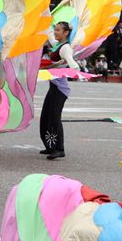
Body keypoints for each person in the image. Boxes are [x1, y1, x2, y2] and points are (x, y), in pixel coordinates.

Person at [39, 21, 80, 160]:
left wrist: (71, 67)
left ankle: (59, 149)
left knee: (54, 119)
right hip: (53, 87)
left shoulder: (65, 48)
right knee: (45, 117)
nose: (55, 32)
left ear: (66, 32)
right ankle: (50, 146)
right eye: (55, 29)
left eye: (58, 30)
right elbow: (49, 33)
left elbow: (73, 64)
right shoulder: (57, 45)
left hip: (60, 90)